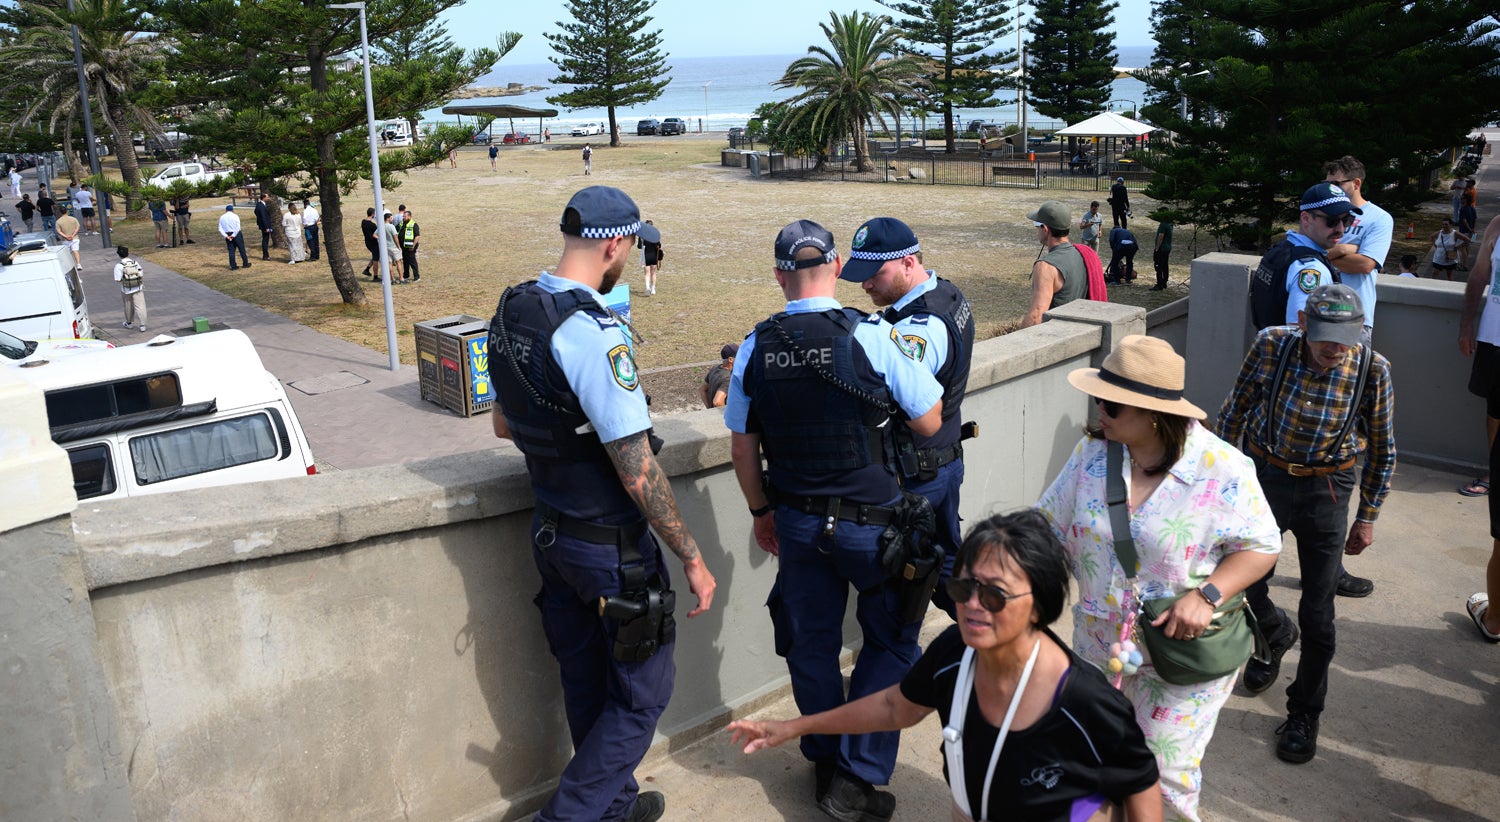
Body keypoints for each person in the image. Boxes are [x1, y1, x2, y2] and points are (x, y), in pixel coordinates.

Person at [487, 185, 716, 822]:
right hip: (608, 545)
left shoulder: (511, 311)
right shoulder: (594, 333)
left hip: (551, 531)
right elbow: (637, 467)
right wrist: (693, 558)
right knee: (645, 693)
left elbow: (504, 426)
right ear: (615, 245)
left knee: (585, 679)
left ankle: (611, 807)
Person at [728, 511, 1164, 822]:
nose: (973, 605)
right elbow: (893, 708)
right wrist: (795, 727)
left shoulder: (1084, 700)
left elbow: (1139, 782)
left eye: (995, 595)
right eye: (962, 586)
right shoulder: (955, 652)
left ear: (1040, 604)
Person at [724, 219, 944, 822]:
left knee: (810, 645)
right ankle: (856, 776)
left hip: (795, 523)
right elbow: (928, 420)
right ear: (839, 261)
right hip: (874, 527)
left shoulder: (754, 344)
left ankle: (823, 755)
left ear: (778, 275)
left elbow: (743, 447)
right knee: (892, 641)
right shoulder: (870, 334)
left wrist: (760, 513)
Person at [1037, 335, 1281, 819]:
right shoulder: (1092, 454)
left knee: (1162, 776)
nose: (1098, 409)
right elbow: (1046, 528)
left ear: (1152, 413)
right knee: (1093, 761)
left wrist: (1208, 596)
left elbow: (1262, 545)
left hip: (1181, 653)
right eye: (1099, 397)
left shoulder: (1221, 468)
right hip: (1098, 647)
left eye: (1112, 402)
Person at [1217, 283, 1396, 766]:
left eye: (1345, 338)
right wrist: (1220, 490)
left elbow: (1383, 448)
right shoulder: (1273, 344)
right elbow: (1234, 414)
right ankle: (1272, 632)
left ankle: (1304, 713)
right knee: (1238, 583)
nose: (1334, 349)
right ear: (1303, 325)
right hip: (1266, 475)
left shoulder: (1372, 369)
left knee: (1319, 615)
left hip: (1328, 489)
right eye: (1325, 339)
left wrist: (1368, 517)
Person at [841, 216, 975, 618]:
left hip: (917, 477)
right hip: (944, 461)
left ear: (908, 263)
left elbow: (912, 407)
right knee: (950, 570)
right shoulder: (948, 294)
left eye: (875, 274)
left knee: (898, 594)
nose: (866, 285)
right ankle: (993, 649)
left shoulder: (919, 329)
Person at [1461, 213, 1500, 638]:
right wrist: (1466, 322)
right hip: (1494, 341)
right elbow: (1478, 277)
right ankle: (1494, 474)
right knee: (1494, 411)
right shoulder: (1497, 226)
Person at [1249, 183, 1357, 330]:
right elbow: (1301, 333)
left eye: (1346, 220)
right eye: (1331, 221)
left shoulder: (1282, 250)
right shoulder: (1311, 270)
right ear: (1306, 219)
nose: (1340, 228)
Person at [1020, 201, 1087, 328]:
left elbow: (1036, 316)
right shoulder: (1082, 255)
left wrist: (1014, 342)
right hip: (1077, 333)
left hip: (1054, 336)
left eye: (1036, 225)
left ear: (1045, 229)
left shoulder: (1045, 266)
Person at [112, 245, 146, 333]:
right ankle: (142, 325)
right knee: (140, 307)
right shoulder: (135, 262)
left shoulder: (119, 266)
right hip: (138, 287)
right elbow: (141, 273)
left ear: (119, 255)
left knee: (128, 306)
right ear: (128, 253)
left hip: (126, 289)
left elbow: (117, 279)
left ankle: (129, 323)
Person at [701, 342, 736, 408]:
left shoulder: (715, 369)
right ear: (730, 360)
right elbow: (717, 402)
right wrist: (723, 416)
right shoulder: (728, 378)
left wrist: (709, 409)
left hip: (713, 416)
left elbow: (702, 389)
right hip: (720, 417)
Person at [218, 204, 251, 270]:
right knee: (241, 249)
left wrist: (226, 236)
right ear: (232, 210)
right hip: (236, 234)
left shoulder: (222, 217)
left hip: (227, 234)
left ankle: (233, 265)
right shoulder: (235, 216)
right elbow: (237, 227)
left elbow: (220, 228)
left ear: (226, 210)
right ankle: (245, 263)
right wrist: (233, 235)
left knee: (231, 250)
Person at [638, 220, 661, 295]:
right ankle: (653, 289)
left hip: (646, 255)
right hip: (654, 255)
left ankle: (647, 288)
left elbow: (639, 246)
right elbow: (659, 245)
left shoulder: (642, 236)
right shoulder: (655, 235)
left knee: (647, 273)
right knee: (653, 273)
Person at [359, 207, 381, 279]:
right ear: (372, 214)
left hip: (367, 242)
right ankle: (375, 276)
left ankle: (367, 269)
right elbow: (376, 234)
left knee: (375, 256)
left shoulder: (363, 222)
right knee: (376, 260)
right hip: (374, 243)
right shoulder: (372, 225)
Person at [399, 209, 420, 282]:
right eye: (403, 216)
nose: (403, 218)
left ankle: (416, 276)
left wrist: (413, 246)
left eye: (404, 216)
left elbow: (417, 236)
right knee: (405, 261)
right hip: (403, 247)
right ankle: (406, 275)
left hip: (411, 247)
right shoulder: (402, 223)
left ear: (409, 216)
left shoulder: (414, 224)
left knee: (412, 261)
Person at [382, 210, 403, 281]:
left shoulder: (381, 226)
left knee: (389, 263)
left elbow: (375, 235)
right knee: (398, 262)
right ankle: (401, 278)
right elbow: (395, 237)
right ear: (387, 218)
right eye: (391, 218)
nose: (392, 219)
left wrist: (381, 240)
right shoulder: (391, 226)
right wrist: (399, 246)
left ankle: (392, 279)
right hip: (394, 247)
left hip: (386, 248)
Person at [1151, 219, 1172, 290]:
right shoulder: (1170, 224)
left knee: (1158, 266)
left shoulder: (1163, 224)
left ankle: (1159, 284)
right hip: (1167, 248)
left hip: (1161, 249)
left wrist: (1157, 248)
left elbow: (1161, 236)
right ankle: (1164, 282)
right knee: (1165, 265)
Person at [254, 193, 274, 260]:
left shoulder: (259, 204)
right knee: (265, 240)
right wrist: (267, 227)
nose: (268, 198)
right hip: (265, 226)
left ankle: (265, 255)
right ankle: (265, 255)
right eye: (267, 197)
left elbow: (255, 212)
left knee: (265, 239)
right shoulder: (262, 206)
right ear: (264, 198)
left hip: (263, 225)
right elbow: (263, 217)